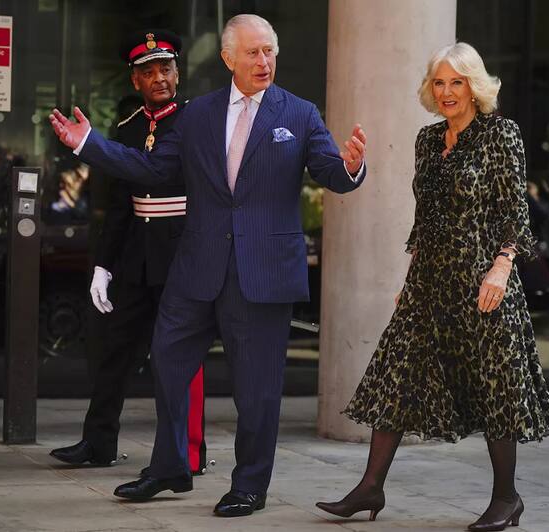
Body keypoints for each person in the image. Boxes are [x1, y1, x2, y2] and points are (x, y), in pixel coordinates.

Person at [49, 14, 367, 516]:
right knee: (169, 359)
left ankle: (249, 485)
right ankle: (171, 466)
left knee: (257, 389)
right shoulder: (198, 114)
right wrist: (90, 146)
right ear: (228, 59)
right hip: (197, 264)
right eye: (253, 53)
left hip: (262, 271)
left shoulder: (300, 113)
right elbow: (153, 169)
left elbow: (331, 171)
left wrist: (350, 168)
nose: (264, 61)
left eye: (269, 51)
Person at [315, 42, 549, 531]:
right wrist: (411, 280)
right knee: (397, 376)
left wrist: (502, 264)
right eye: (440, 82)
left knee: (497, 387)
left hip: (483, 281)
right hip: (430, 282)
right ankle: (370, 487)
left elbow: (513, 209)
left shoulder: (501, 135)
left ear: (475, 86)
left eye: (457, 82)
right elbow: (424, 219)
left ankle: (507, 498)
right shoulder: (428, 140)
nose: (447, 92)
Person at [49, 29, 208, 476]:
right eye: (148, 72)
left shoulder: (199, 121)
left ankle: (189, 454)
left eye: (165, 69)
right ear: (135, 81)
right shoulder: (127, 128)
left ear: (177, 72)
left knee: (182, 357)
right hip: (137, 254)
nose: (159, 78)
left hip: (184, 250)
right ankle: (98, 443)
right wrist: (103, 264)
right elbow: (118, 206)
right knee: (112, 348)